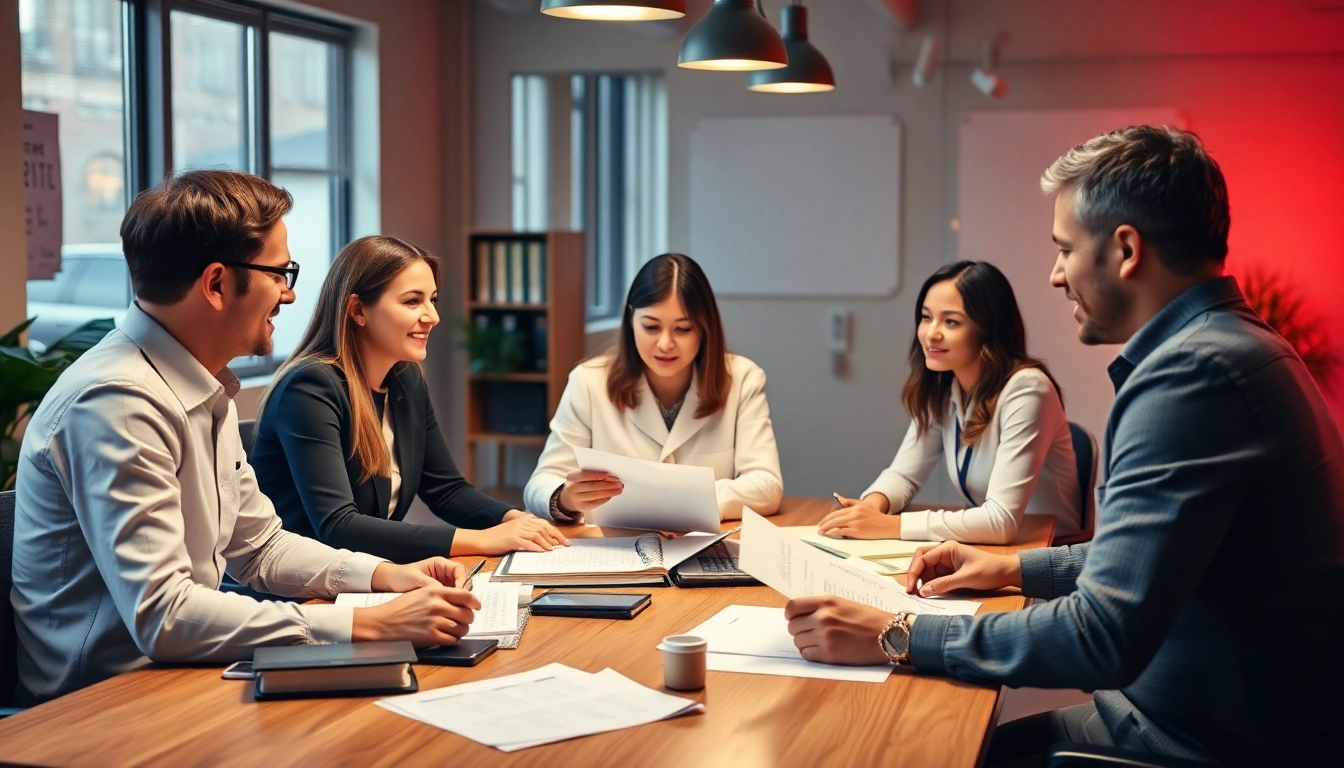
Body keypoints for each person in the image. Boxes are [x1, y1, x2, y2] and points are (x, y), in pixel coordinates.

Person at [783, 126, 1344, 767]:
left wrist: (899, 634)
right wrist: (1015, 568)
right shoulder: (1234, 347)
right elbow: (1147, 558)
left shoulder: (1191, 377)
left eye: (1065, 250)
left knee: (906, 750)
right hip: (1181, 719)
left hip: (1184, 745)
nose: (1055, 276)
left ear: (1126, 250)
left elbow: (1102, 634)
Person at [12, 171, 481, 705]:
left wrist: (382, 577)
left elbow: (260, 548)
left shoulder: (199, 384)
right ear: (216, 284)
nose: (290, 291)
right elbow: (164, 615)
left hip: (181, 675)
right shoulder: (119, 400)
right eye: (280, 272)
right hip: (104, 705)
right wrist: (359, 622)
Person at [252, 236, 567, 561]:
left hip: (364, 578)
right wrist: (483, 540)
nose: (433, 316)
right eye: (412, 302)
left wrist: (514, 520)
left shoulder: (406, 379)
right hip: (296, 595)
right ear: (358, 310)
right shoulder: (311, 386)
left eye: (432, 299)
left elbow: (446, 490)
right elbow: (338, 526)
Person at [819, 261, 1081, 545]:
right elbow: (904, 475)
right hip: (989, 552)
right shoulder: (946, 385)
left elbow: (1000, 521)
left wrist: (891, 526)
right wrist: (872, 506)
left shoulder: (1027, 389)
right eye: (926, 317)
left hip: (1048, 561)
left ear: (988, 329)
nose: (931, 333)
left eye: (951, 321)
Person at [523, 253, 783, 523]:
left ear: (705, 328)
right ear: (631, 321)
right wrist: (565, 498)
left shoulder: (742, 379)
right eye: (651, 327)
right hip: (616, 551)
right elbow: (539, 485)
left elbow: (766, 486)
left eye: (683, 329)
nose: (665, 343)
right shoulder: (588, 382)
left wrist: (679, 500)